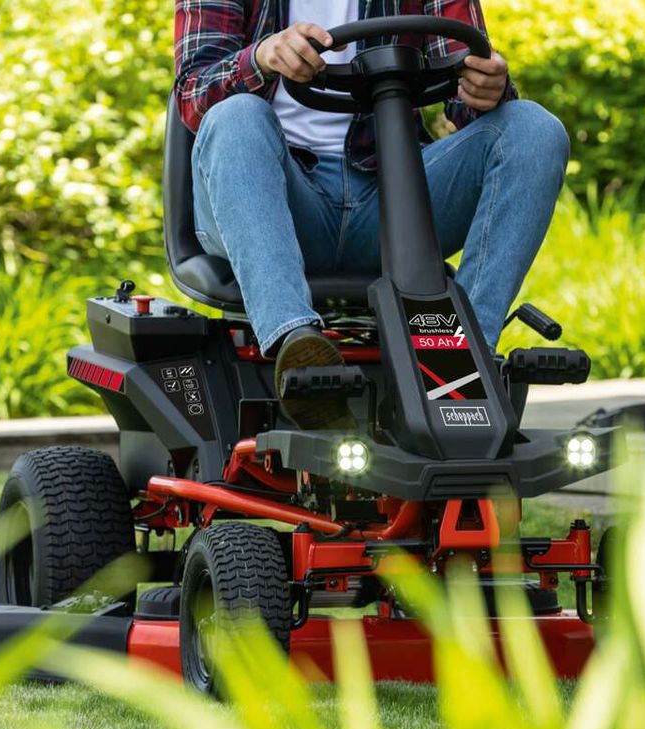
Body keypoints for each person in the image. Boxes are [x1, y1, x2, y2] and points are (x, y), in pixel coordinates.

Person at [176, 0, 570, 428]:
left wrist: (487, 86)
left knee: (535, 129)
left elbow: (469, 88)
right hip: (269, 199)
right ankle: (298, 346)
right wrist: (262, 56)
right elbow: (195, 95)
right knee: (236, 115)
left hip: (388, 201)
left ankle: (460, 354)